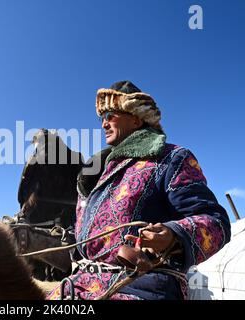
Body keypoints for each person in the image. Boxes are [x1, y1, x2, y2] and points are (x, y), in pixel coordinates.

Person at [47, 80, 231, 300]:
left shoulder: (170, 159)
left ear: (135, 119)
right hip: (81, 284)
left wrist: (174, 234)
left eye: (110, 116)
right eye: (102, 118)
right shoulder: (98, 175)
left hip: (140, 286)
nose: (104, 124)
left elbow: (216, 220)